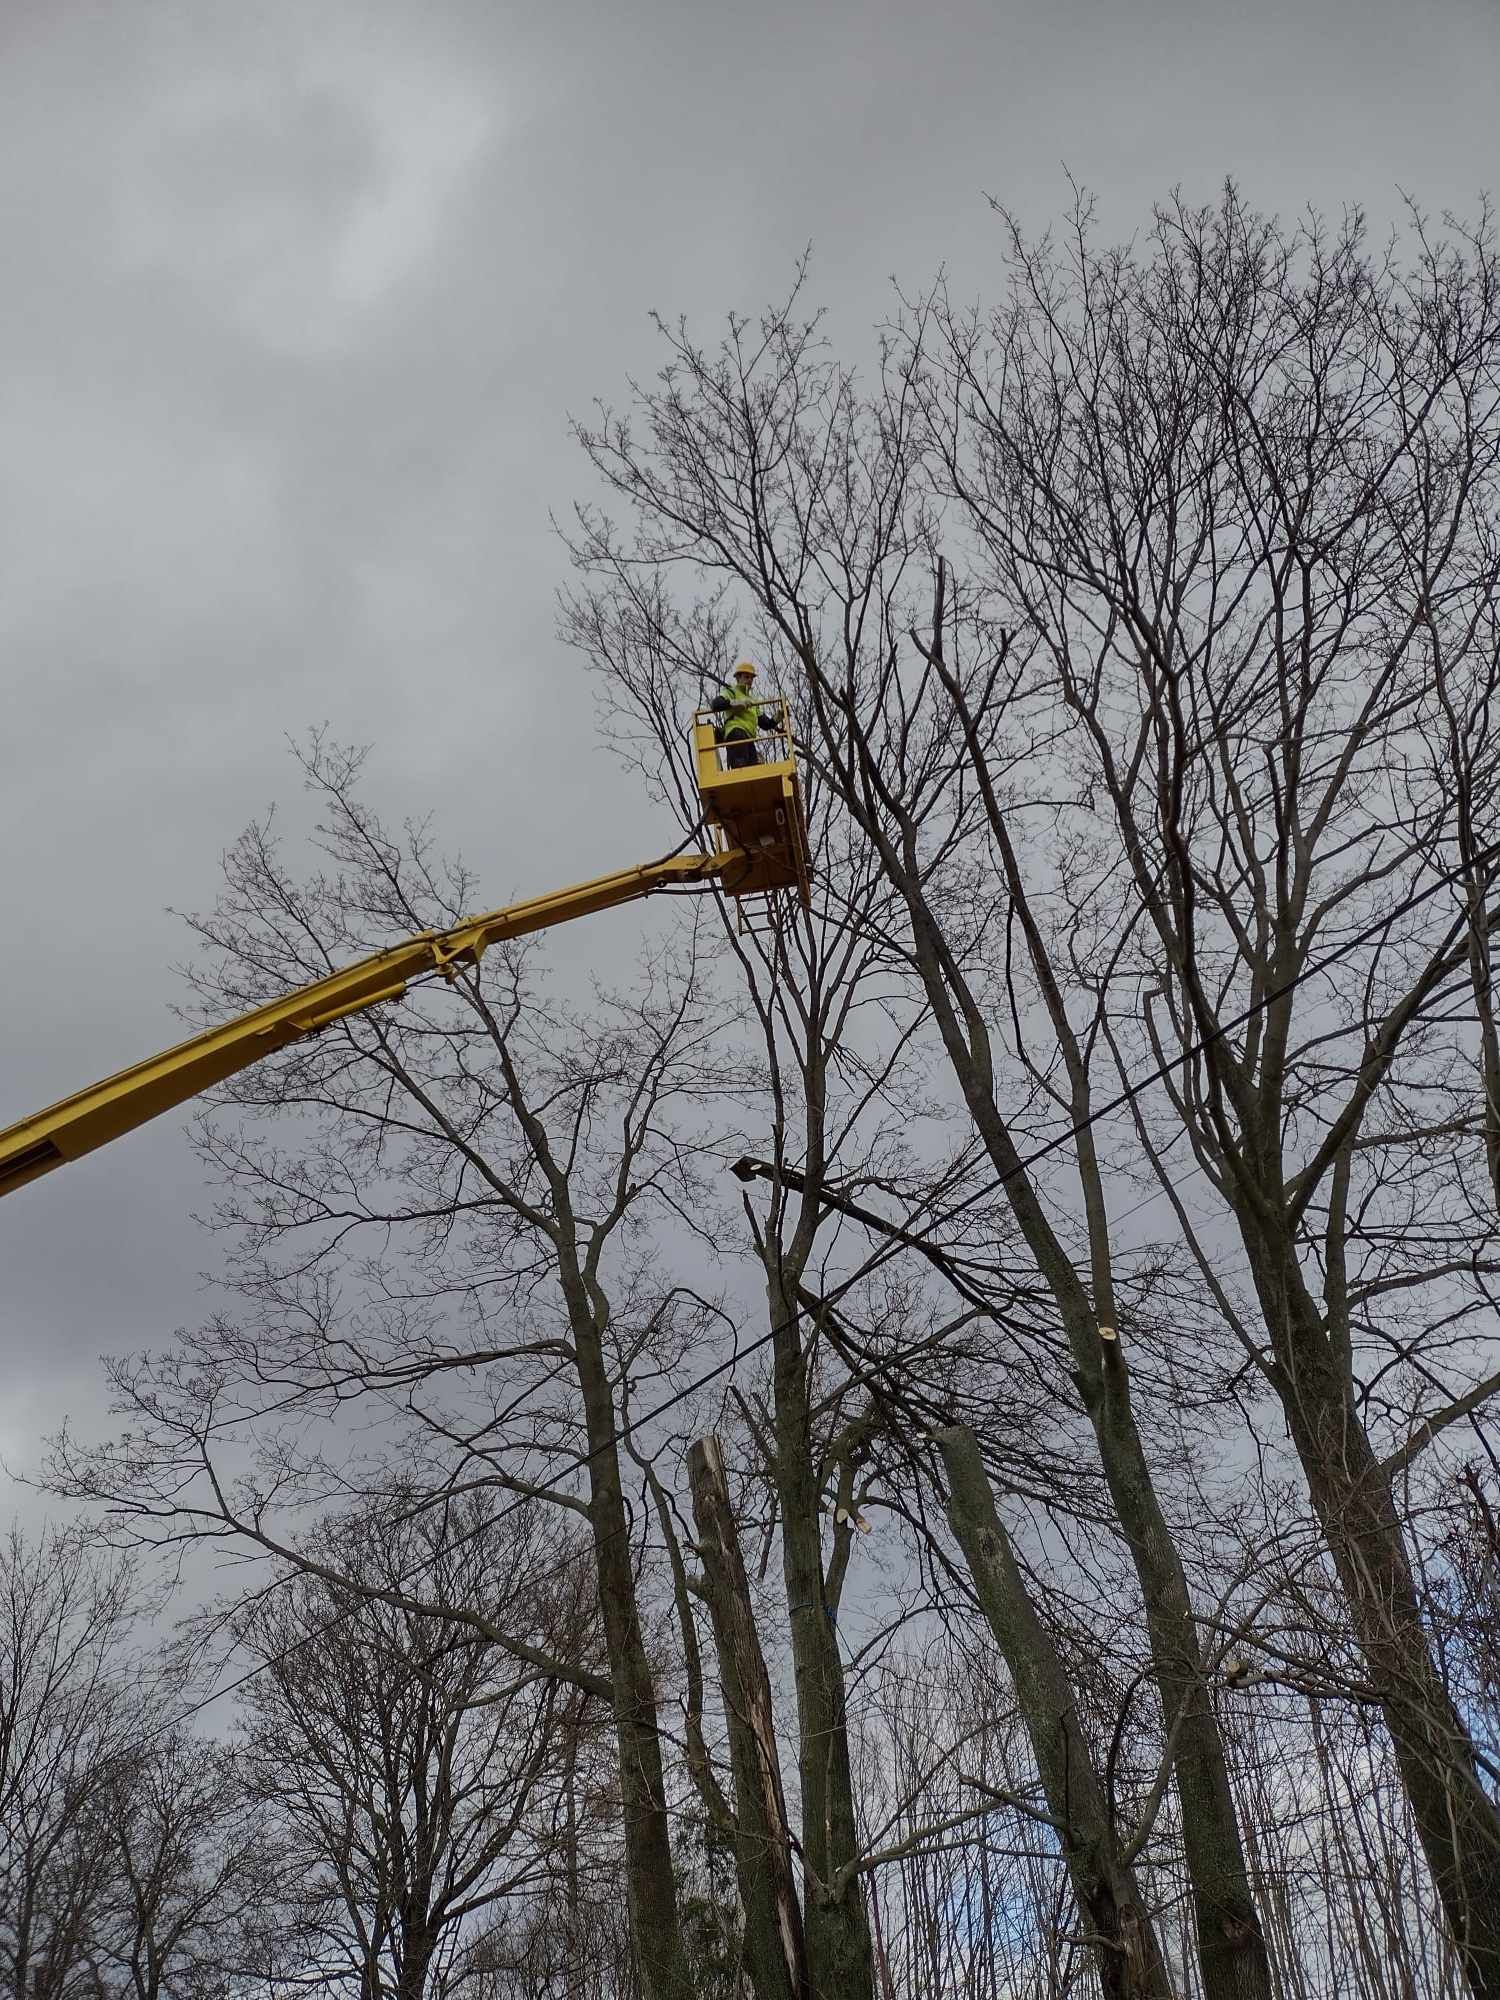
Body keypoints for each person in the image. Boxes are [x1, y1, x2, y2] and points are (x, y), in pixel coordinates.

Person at [711, 659, 779, 769]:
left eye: (751, 678)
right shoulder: (731, 692)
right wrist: (735, 703)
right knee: (740, 766)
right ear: (738, 677)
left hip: (748, 739)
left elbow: (765, 724)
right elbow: (716, 704)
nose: (750, 680)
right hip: (735, 733)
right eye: (746, 677)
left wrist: (778, 717)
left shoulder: (752, 701)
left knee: (753, 768)